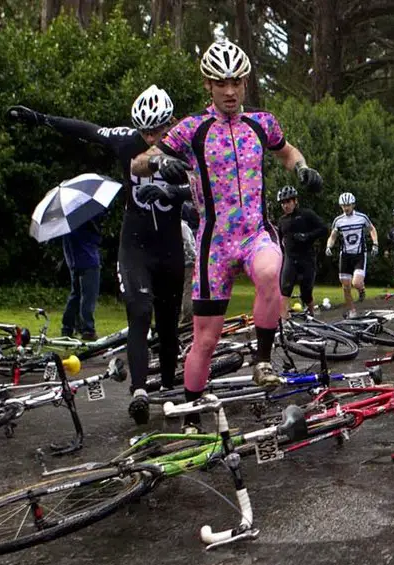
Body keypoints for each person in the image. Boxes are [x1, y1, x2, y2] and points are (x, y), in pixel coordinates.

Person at [130, 40, 324, 428]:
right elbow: (139, 164)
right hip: (214, 244)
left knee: (272, 270)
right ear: (208, 85)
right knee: (206, 340)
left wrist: (301, 168)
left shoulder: (262, 123)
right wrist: (163, 163)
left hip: (254, 233)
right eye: (222, 83)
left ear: (246, 82)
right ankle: (190, 415)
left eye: (237, 82)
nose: (230, 91)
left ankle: (263, 361)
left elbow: (287, 151)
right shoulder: (192, 128)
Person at [8, 85, 188, 425]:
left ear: (172, 123)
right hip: (135, 244)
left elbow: (200, 190)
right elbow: (86, 129)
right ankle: (139, 392)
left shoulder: (185, 143)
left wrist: (170, 189)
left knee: (167, 327)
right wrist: (40, 118)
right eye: (145, 132)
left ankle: (166, 387)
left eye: (158, 131)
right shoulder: (126, 140)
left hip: (170, 247)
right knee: (139, 311)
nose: (151, 139)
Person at [276, 185, 328, 315]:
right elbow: (278, 240)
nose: (285, 205)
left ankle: (312, 314)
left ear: (295, 201)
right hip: (290, 258)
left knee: (306, 293)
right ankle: (285, 321)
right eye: (283, 203)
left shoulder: (306, 214)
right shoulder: (282, 221)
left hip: (306, 259)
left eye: (288, 202)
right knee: (285, 289)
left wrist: (307, 236)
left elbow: (323, 228)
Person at [325, 192, 378, 319]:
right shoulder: (338, 220)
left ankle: (361, 289)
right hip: (345, 256)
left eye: (348, 205)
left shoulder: (362, 217)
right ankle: (352, 311)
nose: (346, 208)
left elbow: (372, 229)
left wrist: (375, 243)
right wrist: (329, 246)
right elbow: (333, 236)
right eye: (343, 206)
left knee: (356, 283)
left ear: (353, 205)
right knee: (346, 286)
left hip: (359, 254)